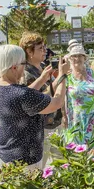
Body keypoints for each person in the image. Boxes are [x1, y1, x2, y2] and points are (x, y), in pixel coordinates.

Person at [0, 44, 69, 169]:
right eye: (23, 64)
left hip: (7, 153)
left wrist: (42, 80)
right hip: (26, 159)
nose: (24, 67)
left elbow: (23, 95)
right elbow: (57, 102)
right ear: (14, 67)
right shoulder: (22, 95)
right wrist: (63, 76)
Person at [19, 31, 66, 167]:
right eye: (41, 48)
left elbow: (55, 91)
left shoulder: (43, 67)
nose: (45, 51)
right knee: (40, 166)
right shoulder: (26, 73)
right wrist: (60, 78)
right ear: (29, 51)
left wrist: (63, 113)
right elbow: (37, 100)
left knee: (61, 162)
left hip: (54, 122)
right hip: (41, 128)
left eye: (45, 47)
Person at [63, 43, 94, 147]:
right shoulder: (67, 75)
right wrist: (63, 115)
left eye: (80, 55)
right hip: (75, 117)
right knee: (75, 147)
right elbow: (62, 97)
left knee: (91, 147)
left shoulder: (90, 72)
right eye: (74, 56)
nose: (77, 58)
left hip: (91, 117)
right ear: (70, 59)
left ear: (84, 58)